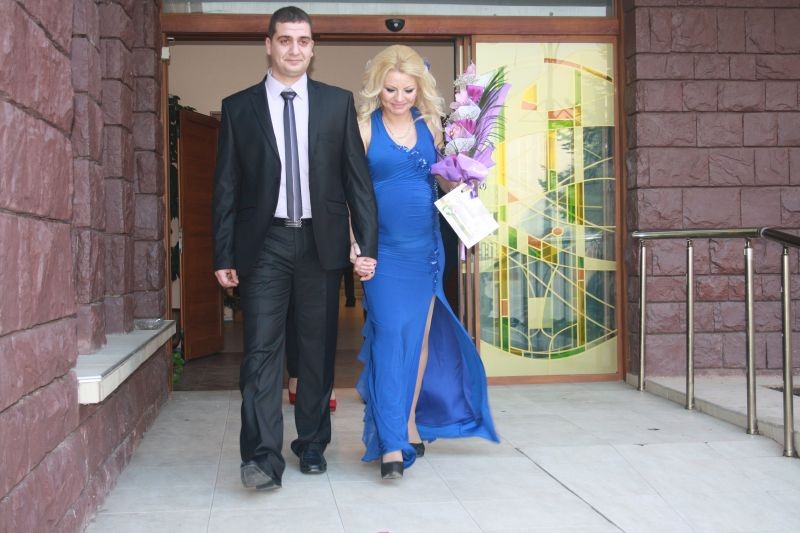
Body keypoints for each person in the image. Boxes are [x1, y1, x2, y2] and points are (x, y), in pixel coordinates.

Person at [212, 6, 378, 492]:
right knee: (261, 350)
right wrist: (223, 253)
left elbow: (357, 180)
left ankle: (311, 443)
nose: (294, 49)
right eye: (284, 40)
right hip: (263, 243)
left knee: (316, 349)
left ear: (312, 48)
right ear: (268, 45)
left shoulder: (336, 103)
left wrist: (366, 243)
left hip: (320, 242)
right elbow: (225, 187)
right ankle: (261, 457)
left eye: (303, 41)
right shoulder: (238, 107)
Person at [353, 45, 498, 480]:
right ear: (377, 88)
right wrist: (355, 246)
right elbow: (349, 194)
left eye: (407, 90)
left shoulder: (432, 125)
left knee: (417, 342)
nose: (399, 98)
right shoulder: (363, 128)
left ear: (419, 89)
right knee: (388, 338)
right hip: (382, 252)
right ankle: (390, 442)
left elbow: (444, 184)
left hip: (427, 251)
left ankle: (408, 424)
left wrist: (465, 172)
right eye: (390, 89)